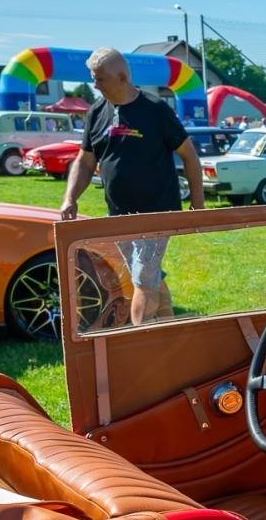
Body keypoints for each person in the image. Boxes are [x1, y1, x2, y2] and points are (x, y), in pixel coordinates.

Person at [60, 47, 204, 327]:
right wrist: (70, 198)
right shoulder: (96, 112)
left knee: (142, 280)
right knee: (148, 277)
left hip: (157, 214)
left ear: (122, 77)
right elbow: (85, 161)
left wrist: (197, 204)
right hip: (119, 216)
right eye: (93, 78)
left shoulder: (155, 110)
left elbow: (189, 155)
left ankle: (138, 336)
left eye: (100, 79)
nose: (95, 85)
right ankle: (168, 328)